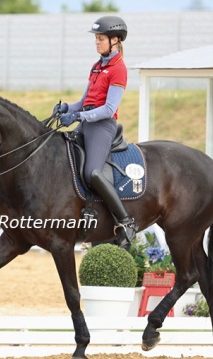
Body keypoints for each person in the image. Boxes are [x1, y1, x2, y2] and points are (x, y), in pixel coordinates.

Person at [54, 15, 138, 250]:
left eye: (100, 39)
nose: (97, 42)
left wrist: (79, 116)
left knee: (92, 173)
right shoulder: (97, 66)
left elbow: (109, 108)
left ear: (115, 40)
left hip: (102, 126)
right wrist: (67, 108)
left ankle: (125, 221)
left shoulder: (118, 69)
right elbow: (84, 101)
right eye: (96, 39)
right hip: (86, 122)